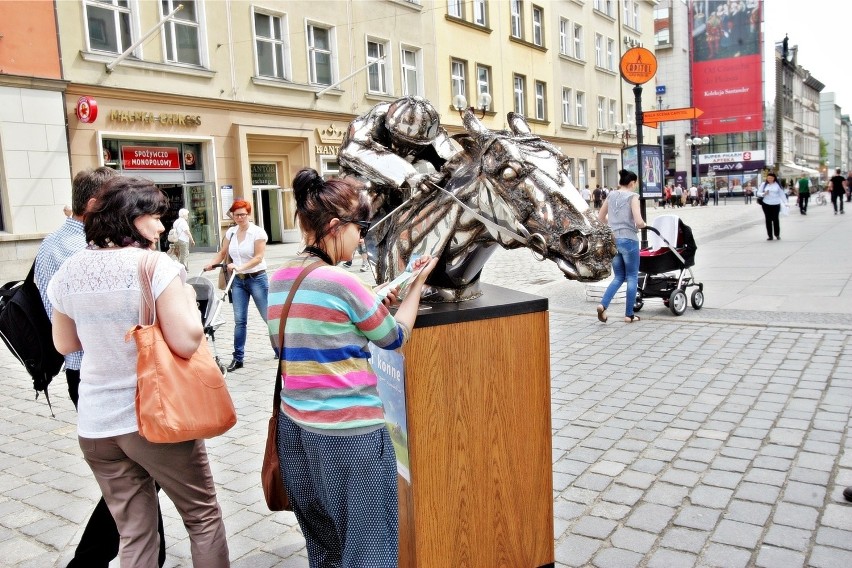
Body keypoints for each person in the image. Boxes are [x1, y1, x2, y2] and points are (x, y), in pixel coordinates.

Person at [47, 176, 230, 567]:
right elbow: (186, 340)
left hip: (96, 426)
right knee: (202, 517)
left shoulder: (68, 270)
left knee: (134, 534)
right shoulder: (154, 265)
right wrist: (184, 299)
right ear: (128, 218)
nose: (161, 226)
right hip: (152, 418)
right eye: (153, 216)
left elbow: (65, 345)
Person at [268, 168, 437, 567]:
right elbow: (394, 337)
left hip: (296, 432)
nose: (362, 238)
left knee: (325, 546)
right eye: (359, 227)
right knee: (370, 549)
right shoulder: (343, 283)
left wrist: (374, 300)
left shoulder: (280, 278)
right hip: (350, 435)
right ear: (333, 226)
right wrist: (416, 287)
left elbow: (297, 340)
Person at [36, 167, 170, 568]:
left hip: (96, 370)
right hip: (105, 370)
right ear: (98, 205)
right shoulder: (79, 253)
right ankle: (91, 558)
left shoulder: (58, 244)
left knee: (136, 474)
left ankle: (149, 552)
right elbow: (78, 331)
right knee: (140, 475)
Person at [204, 200, 271, 372]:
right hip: (238, 281)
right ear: (232, 216)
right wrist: (211, 264)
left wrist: (240, 267)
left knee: (268, 318)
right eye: (236, 215)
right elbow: (222, 252)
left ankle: (281, 349)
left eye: (243, 214)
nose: (240, 218)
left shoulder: (258, 233)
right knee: (240, 321)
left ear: (249, 214)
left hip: (257, 278)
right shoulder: (231, 232)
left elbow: (258, 257)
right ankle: (238, 358)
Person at [595, 169, 647, 324]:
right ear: (632, 183)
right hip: (629, 240)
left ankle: (603, 305)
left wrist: (612, 226)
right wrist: (643, 225)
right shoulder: (633, 196)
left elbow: (600, 217)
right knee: (631, 276)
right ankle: (629, 315)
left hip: (613, 240)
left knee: (618, 277)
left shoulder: (610, 195)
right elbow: (638, 222)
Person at [756, 172, 787, 240]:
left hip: (776, 203)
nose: (769, 179)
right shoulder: (764, 184)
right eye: (768, 178)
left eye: (771, 178)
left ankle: (777, 234)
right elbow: (758, 193)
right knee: (768, 219)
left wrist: (785, 203)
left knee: (775, 219)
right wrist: (764, 194)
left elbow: (782, 194)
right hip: (766, 203)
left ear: (774, 178)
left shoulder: (777, 185)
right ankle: (770, 235)